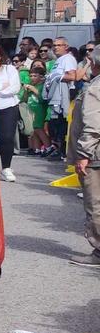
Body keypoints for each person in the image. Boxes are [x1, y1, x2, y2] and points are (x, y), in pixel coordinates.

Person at [74, 45, 100, 268]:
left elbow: (92, 125)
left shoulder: (95, 88)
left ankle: (99, 251)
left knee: (95, 203)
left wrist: (83, 153)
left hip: (95, 155)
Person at [0, 46, 22, 182]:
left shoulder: (10, 69)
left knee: (7, 138)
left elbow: (15, 88)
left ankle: (6, 167)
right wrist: (2, 86)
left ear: (0, 57)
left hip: (8, 106)